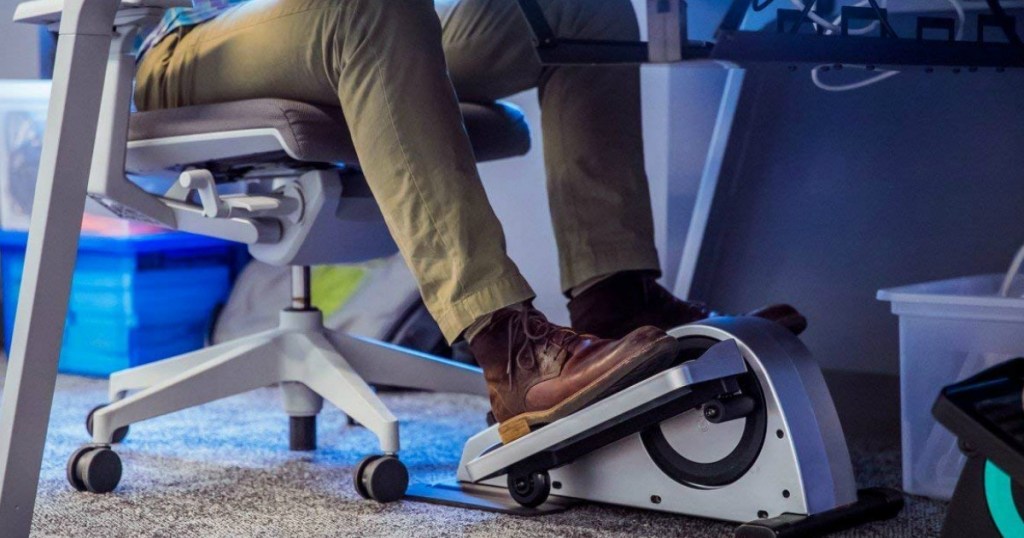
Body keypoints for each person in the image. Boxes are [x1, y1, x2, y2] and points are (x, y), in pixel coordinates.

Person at [135, 0, 804, 443]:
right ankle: (504, 347)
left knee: (585, 8)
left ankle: (614, 296)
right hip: (182, 39)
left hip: (325, 20)